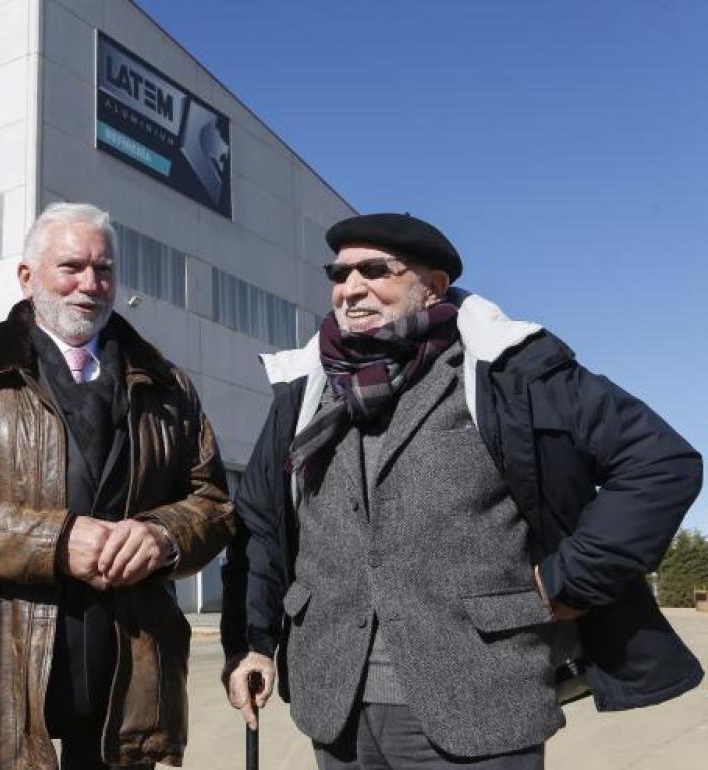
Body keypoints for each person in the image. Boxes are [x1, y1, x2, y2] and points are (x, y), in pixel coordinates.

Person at [220, 213, 703, 769]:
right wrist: (252, 641)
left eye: (375, 270)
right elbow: (260, 524)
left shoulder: (509, 371)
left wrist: (576, 575)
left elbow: (660, 463)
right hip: (337, 703)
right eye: (340, 273)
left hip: (481, 701)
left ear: (434, 286)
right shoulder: (307, 388)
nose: (350, 289)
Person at [0, 202, 235, 769]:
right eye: (71, 267)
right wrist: (54, 541)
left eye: (104, 270)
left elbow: (214, 504)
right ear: (28, 277)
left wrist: (162, 536)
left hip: (131, 684)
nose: (90, 285)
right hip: (2, 678)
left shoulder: (167, 388)